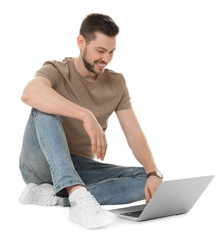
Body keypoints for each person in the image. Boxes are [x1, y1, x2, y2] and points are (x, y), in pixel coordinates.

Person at [18, 13, 163, 229]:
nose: (106, 59)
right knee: (44, 107)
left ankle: (60, 197)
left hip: (78, 165)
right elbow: (30, 93)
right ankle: (77, 194)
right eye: (101, 51)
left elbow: (134, 134)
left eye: (112, 52)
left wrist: (153, 173)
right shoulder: (58, 70)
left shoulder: (117, 83)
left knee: (147, 181)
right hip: (38, 164)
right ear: (81, 43)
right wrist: (86, 115)